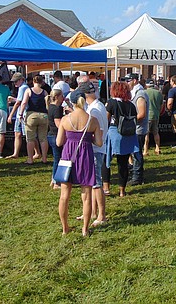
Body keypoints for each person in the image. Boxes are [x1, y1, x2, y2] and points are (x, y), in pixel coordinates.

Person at [56, 89, 103, 237]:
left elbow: (58, 142)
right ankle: (85, 229)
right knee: (87, 196)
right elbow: (99, 143)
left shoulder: (65, 119)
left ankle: (65, 229)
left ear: (72, 102)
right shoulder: (92, 120)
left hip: (68, 156)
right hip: (86, 156)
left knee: (64, 196)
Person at [105, 81, 140, 197]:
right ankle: (122, 190)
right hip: (128, 134)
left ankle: (106, 188)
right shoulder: (131, 105)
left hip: (114, 133)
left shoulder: (111, 103)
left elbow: (106, 119)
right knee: (123, 163)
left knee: (106, 161)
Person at [83, 81, 109, 226]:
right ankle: (93, 212)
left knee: (97, 183)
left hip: (96, 149)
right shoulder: (96, 107)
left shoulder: (94, 111)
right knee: (93, 182)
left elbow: (97, 134)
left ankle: (101, 215)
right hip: (97, 148)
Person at [21, 75, 49, 164]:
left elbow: (24, 102)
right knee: (43, 138)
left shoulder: (28, 90)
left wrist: (20, 114)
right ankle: (44, 158)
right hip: (43, 115)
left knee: (30, 138)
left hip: (31, 115)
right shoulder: (45, 92)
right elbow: (48, 104)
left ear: (33, 82)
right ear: (41, 82)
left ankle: (30, 159)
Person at [127, 74, 149, 185]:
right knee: (135, 152)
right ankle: (136, 174)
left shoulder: (140, 95)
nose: (127, 83)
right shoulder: (136, 93)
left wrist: (128, 121)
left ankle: (137, 177)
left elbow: (142, 114)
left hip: (138, 129)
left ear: (135, 81)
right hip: (136, 128)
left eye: (128, 80)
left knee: (136, 153)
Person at [5, 72, 28, 159]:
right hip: (20, 114)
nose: (14, 84)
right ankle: (15, 153)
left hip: (22, 114)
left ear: (21, 80)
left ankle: (37, 152)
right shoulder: (23, 88)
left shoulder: (23, 88)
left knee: (27, 135)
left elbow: (19, 103)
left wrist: (10, 115)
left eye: (16, 81)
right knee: (17, 133)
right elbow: (20, 101)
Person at [47, 89, 64, 187]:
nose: (63, 98)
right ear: (57, 97)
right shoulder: (57, 109)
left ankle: (53, 179)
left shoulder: (51, 107)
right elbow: (58, 124)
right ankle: (56, 181)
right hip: (56, 135)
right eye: (61, 96)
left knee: (57, 158)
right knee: (58, 159)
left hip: (51, 135)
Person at [144, 80, 163, 155]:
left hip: (147, 115)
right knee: (156, 132)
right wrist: (158, 112)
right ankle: (157, 148)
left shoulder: (144, 93)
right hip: (156, 115)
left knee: (146, 133)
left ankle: (145, 150)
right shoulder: (158, 93)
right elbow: (162, 105)